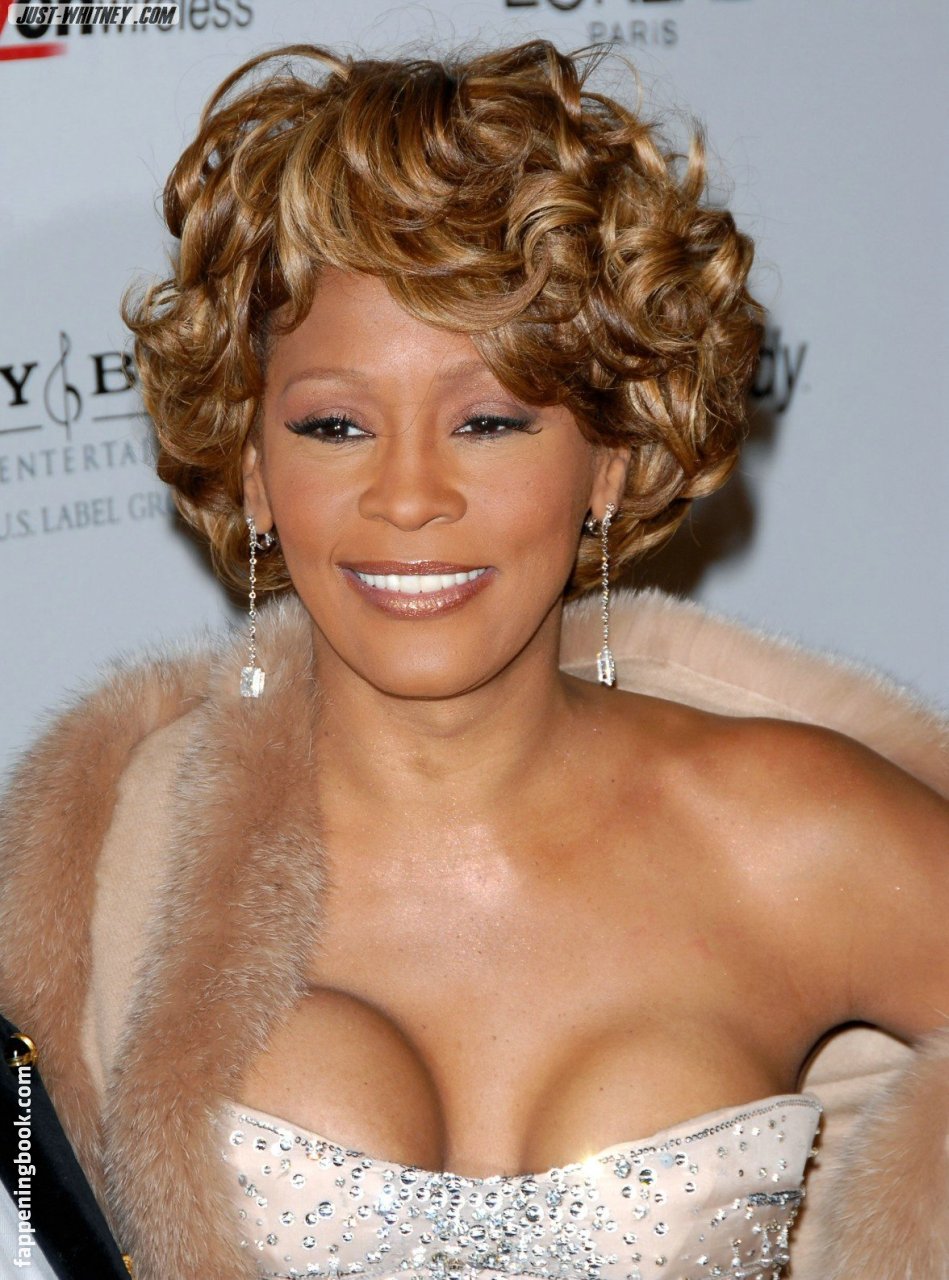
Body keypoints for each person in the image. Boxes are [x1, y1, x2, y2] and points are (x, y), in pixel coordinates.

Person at [0, 38, 946, 1280]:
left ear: (609, 459)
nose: (408, 496)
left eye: (489, 420)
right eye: (335, 424)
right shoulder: (102, 867)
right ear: (252, 468)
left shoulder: (793, 829)